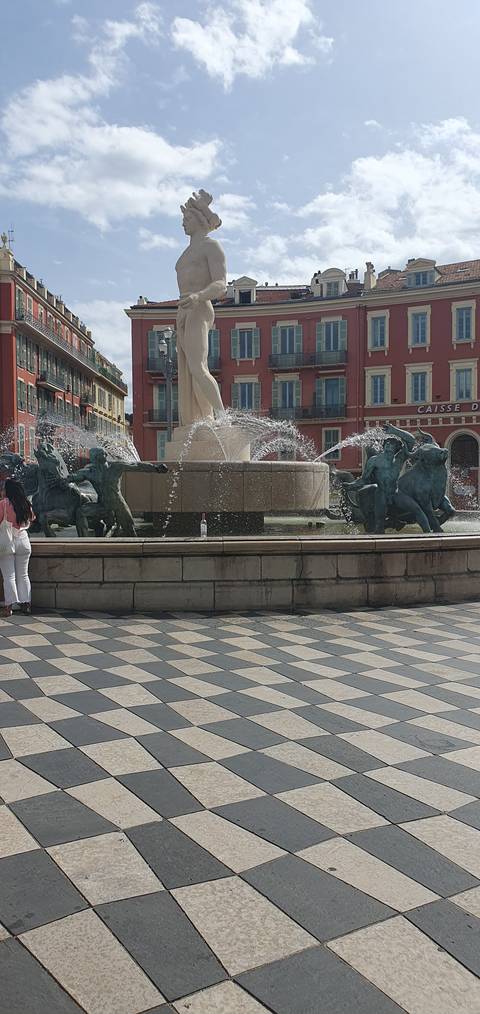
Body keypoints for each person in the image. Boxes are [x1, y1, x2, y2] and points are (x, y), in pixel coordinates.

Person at [175, 190, 226, 426]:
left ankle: (222, 419)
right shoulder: (186, 253)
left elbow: (221, 284)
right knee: (189, 371)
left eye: (188, 218)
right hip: (184, 309)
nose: (183, 222)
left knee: (197, 366)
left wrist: (199, 296)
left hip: (199, 306)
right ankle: (201, 420)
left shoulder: (211, 246)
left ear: (200, 220)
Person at [68, 448, 167, 537]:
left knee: (130, 530)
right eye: (94, 456)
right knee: (81, 512)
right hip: (102, 505)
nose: (96, 458)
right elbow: (75, 476)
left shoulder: (116, 466)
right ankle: (84, 543)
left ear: (105, 455)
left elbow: (136, 465)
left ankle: (137, 551)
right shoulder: (89, 471)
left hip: (118, 505)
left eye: (99, 455)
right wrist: (66, 480)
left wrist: (156, 468)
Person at [0, 479, 35, 617]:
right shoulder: (26, 504)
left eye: (3, 489)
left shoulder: (3, 504)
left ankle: (9, 607)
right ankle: (26, 603)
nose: (1, 491)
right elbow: (32, 518)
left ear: (8, 490)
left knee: (9, 576)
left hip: (8, 542)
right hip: (24, 541)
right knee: (23, 574)